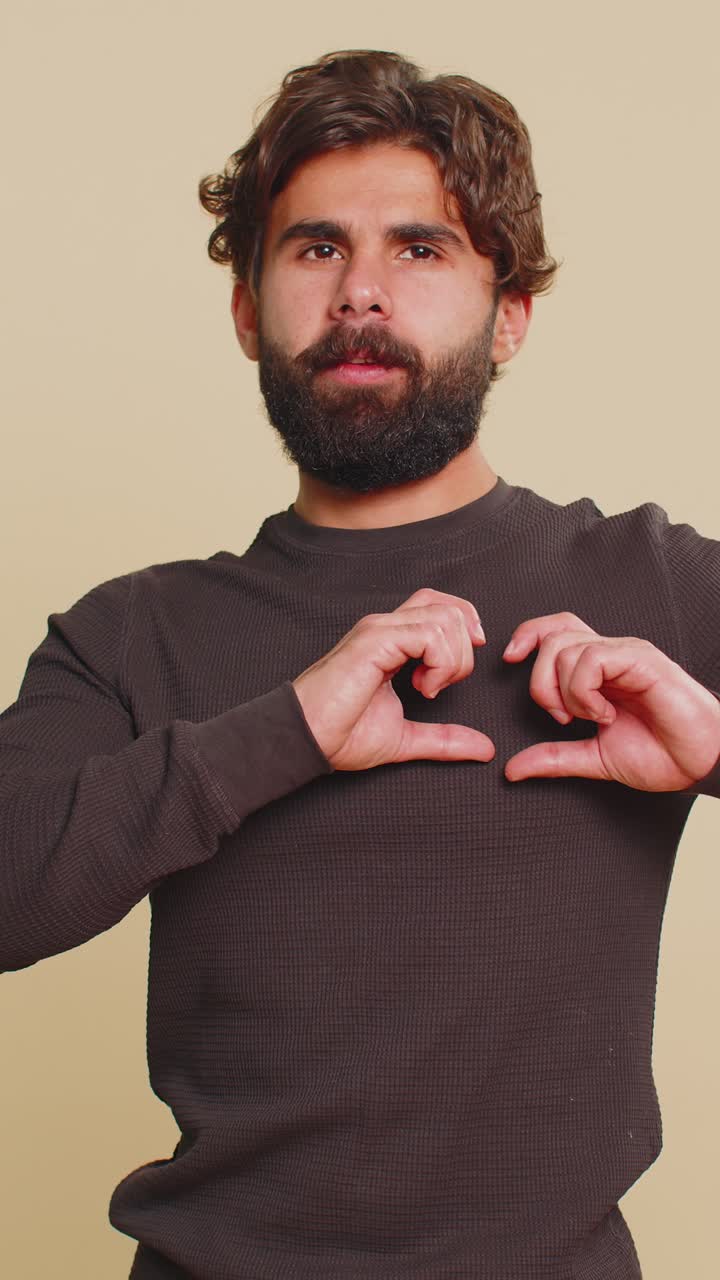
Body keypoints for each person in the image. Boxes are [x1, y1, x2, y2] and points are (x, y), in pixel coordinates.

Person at [2, 47, 718, 1280]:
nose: (361, 293)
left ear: (513, 319)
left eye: (422, 249)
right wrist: (277, 731)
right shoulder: (131, 634)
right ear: (248, 310)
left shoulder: (649, 584)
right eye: (316, 247)